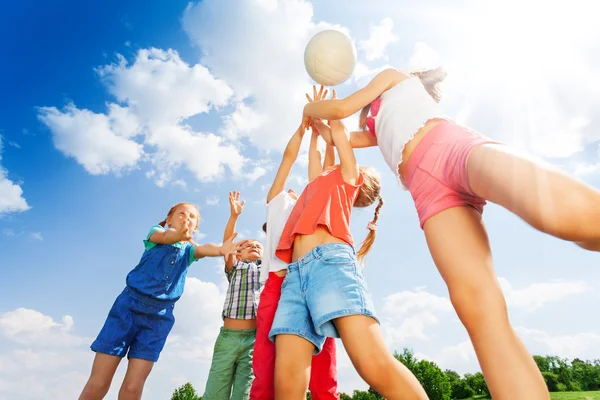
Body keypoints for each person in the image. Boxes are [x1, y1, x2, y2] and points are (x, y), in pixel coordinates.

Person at [304, 67, 600, 399]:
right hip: (429, 194)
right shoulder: (375, 130)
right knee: (478, 310)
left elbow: (341, 109)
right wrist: (320, 126)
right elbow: (337, 134)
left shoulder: (395, 78)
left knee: (561, 215)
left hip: (451, 149)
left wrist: (309, 109)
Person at [270, 96, 429, 400]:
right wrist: (314, 129)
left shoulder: (347, 177)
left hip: (330, 264)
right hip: (295, 276)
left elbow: (339, 135)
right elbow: (316, 160)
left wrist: (328, 110)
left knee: (372, 363)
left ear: (361, 182)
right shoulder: (321, 181)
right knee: (287, 380)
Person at [79, 202, 241, 400]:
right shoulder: (155, 234)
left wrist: (220, 249)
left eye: (192, 217)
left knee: (133, 388)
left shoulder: (190, 251)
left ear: (196, 228)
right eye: (182, 214)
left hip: (159, 318)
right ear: (169, 219)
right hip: (127, 309)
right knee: (99, 382)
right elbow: (167, 236)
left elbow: (204, 249)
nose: (186, 218)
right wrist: (179, 235)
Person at [251, 111, 339, 400]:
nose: (293, 189)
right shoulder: (278, 204)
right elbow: (287, 160)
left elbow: (327, 167)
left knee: (323, 366)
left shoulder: (315, 199)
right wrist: (303, 129)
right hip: (278, 285)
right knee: (266, 364)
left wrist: (320, 132)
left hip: (313, 282)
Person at [203, 191, 263, 400]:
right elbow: (227, 244)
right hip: (228, 337)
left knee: (244, 393)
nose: (254, 246)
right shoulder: (236, 267)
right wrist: (234, 217)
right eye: (248, 246)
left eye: (258, 246)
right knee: (215, 390)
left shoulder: (266, 270)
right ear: (238, 253)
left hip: (254, 340)